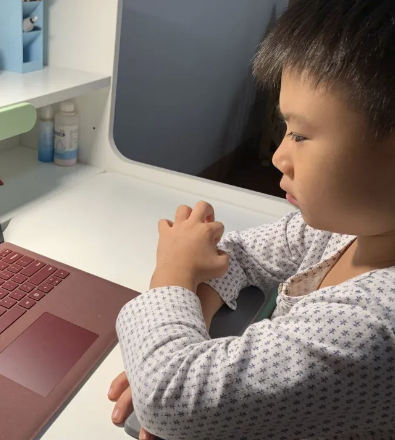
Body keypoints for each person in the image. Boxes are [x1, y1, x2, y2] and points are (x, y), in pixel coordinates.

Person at [109, 1, 395, 439]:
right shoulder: (348, 229)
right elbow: (237, 255)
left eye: (300, 134)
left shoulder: (373, 325)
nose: (279, 156)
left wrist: (174, 271)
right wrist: (185, 343)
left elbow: (167, 397)